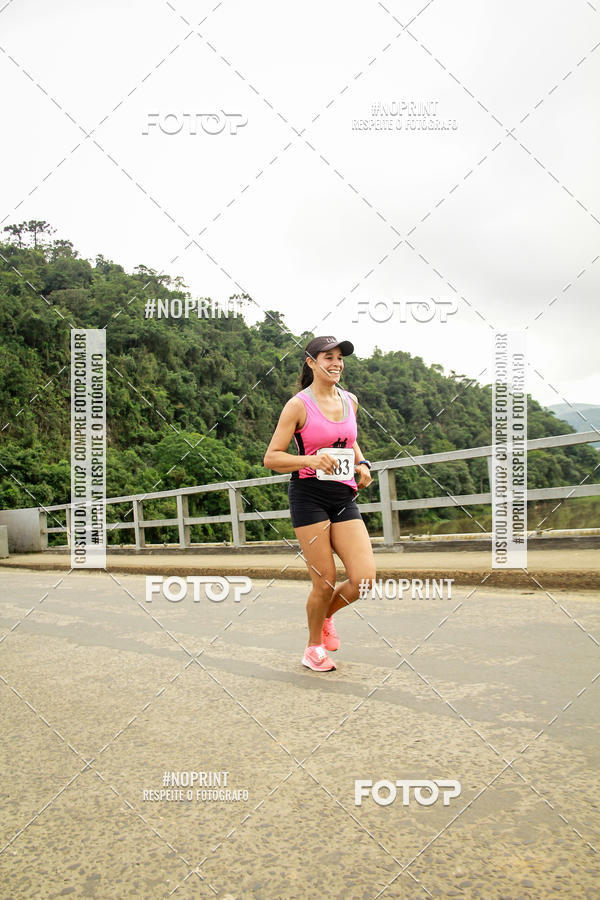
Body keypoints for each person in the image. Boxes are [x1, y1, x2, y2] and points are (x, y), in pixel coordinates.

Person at [263, 335, 376, 672]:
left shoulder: (350, 401)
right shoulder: (298, 405)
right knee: (324, 581)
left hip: (343, 496)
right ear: (311, 363)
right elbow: (272, 458)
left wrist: (364, 465)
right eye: (328, 357)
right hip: (308, 496)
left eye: (340, 358)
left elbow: (350, 441)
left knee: (364, 579)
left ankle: (325, 614)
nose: (336, 363)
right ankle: (313, 648)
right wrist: (310, 460)